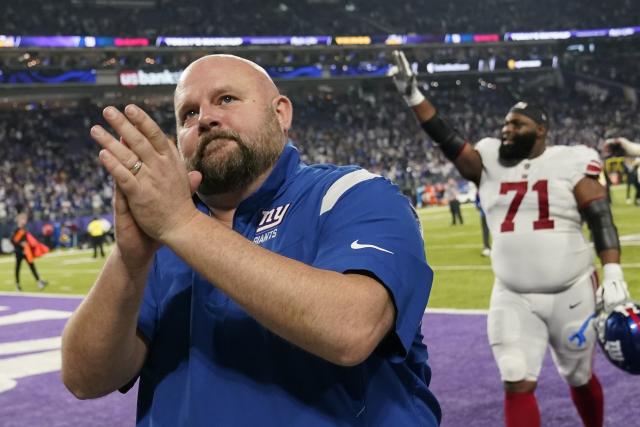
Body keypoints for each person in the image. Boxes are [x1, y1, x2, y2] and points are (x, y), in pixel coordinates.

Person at [61, 54, 441, 427]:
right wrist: (129, 260)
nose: (206, 118)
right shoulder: (161, 239)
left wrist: (181, 224)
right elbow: (84, 379)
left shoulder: (351, 193)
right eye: (188, 114)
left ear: (280, 113)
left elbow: (352, 329)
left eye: (226, 99)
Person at [389, 50, 630, 427]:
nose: (506, 129)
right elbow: (450, 141)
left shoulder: (572, 159)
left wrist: (612, 270)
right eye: (505, 123)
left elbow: (599, 214)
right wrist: (414, 97)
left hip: (572, 291)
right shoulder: (487, 159)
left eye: (517, 124)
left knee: (579, 378)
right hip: (512, 294)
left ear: (541, 130)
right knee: (516, 380)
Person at [11, 212, 49, 291]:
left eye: (25, 219)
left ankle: (39, 281)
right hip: (19, 252)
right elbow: (12, 240)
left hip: (26, 252)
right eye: (23, 219)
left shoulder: (24, 229)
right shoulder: (16, 229)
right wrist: (20, 244)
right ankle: (17, 285)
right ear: (19, 220)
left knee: (32, 266)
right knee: (18, 268)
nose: (24, 221)